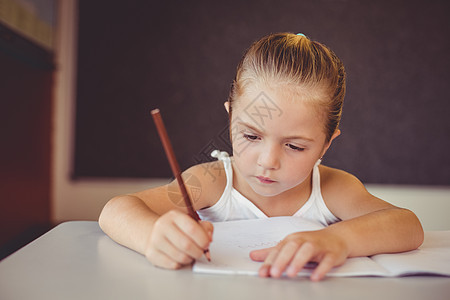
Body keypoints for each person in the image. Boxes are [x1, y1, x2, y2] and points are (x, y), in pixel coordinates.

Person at [99, 32, 424, 281]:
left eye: (295, 146)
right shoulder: (211, 181)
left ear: (326, 145)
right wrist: (151, 237)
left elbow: (407, 225)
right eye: (251, 136)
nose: (268, 160)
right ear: (230, 118)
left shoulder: (332, 188)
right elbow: (116, 210)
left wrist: (338, 240)